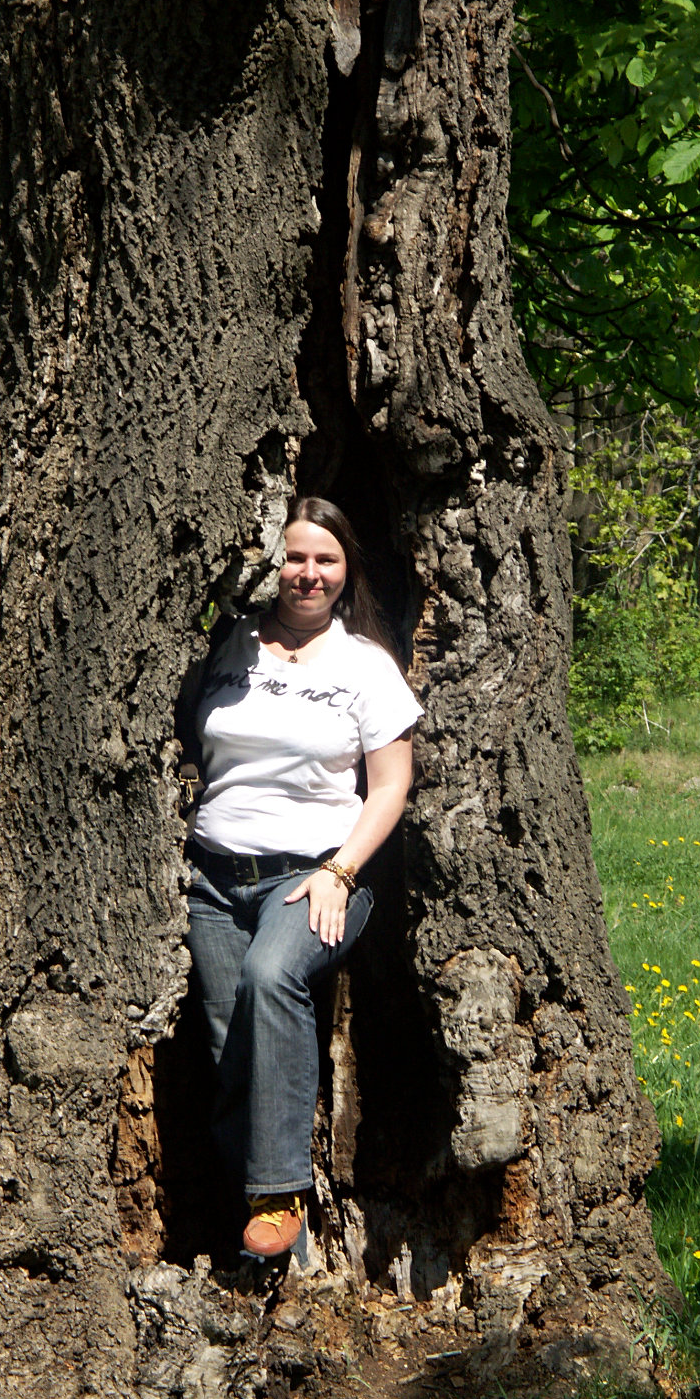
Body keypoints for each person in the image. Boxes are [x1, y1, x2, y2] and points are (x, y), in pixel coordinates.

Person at [182, 497, 421, 1261]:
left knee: (271, 975)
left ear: (347, 570)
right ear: (270, 562)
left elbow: (391, 785)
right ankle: (258, 1235)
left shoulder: (366, 666)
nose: (307, 573)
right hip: (214, 879)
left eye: (326, 560)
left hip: (314, 877)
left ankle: (279, 1192)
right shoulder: (229, 646)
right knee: (228, 1047)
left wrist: (340, 871)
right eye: (294, 557)